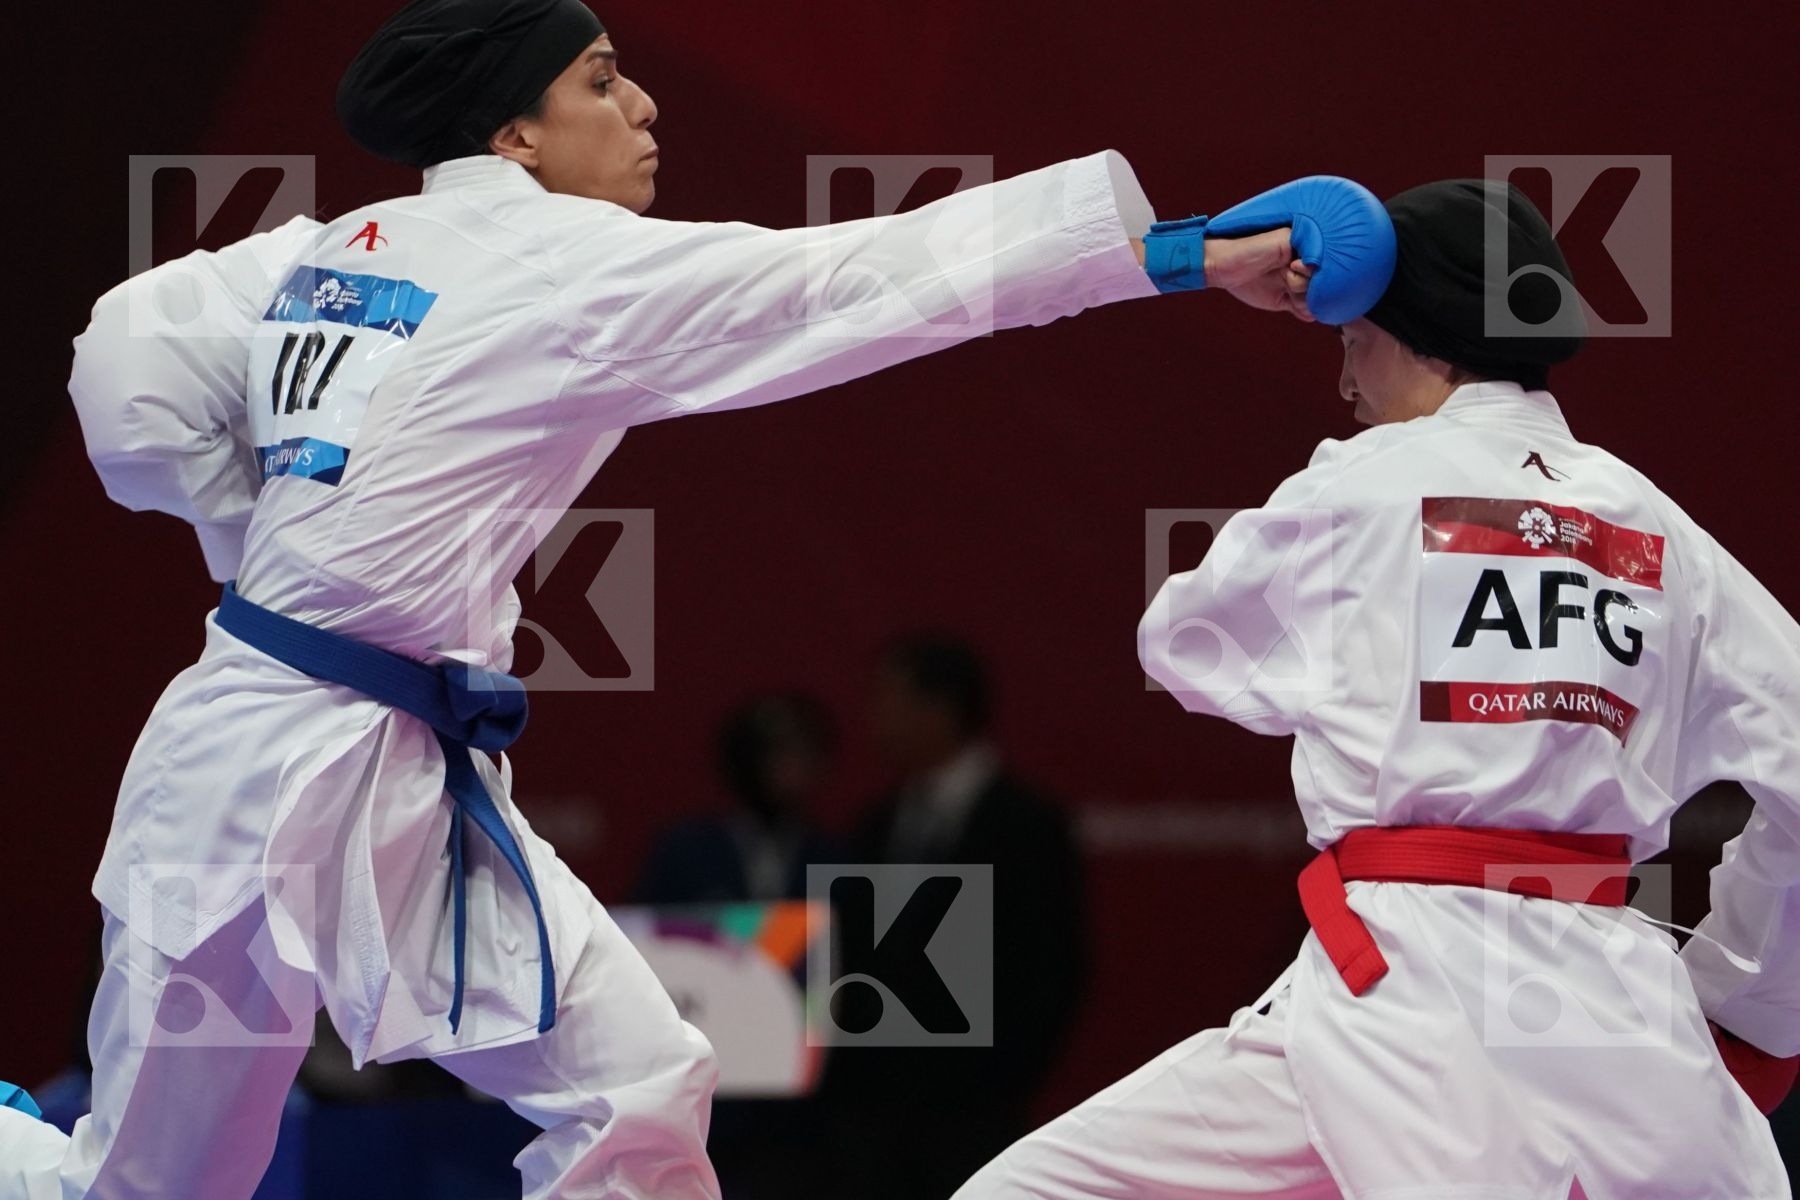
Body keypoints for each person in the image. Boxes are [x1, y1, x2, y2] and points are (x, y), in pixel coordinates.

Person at [0, 0, 1393, 1194]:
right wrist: (1179, 251)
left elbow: (125, 360)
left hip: (329, 754)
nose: (647, 101)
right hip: (282, 762)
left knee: (633, 1086)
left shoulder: (325, 248)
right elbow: (858, 282)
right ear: (516, 139)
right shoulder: (559, 262)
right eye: (601, 79)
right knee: (162, 1179)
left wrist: (246, 547)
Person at [952, 181, 1799, 1198]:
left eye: (1353, 338)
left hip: (1412, 982)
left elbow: (1183, 643)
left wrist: (1356, 676)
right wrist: (1750, 1005)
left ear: (1411, 336)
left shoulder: (1363, 482)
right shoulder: (1660, 528)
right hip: (1611, 1004)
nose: (1347, 378)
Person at [822, 633, 1086, 1200]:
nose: (873, 719)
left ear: (939, 709)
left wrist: (1002, 1083)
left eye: (887, 700)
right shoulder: (876, 824)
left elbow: (1052, 967)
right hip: (870, 1123)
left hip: (976, 1117)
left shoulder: (1025, 824)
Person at [633, 691, 845, 905]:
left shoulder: (833, 857)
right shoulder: (685, 851)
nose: (791, 771)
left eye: (803, 755)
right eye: (776, 754)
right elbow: (642, 929)